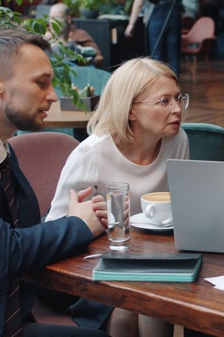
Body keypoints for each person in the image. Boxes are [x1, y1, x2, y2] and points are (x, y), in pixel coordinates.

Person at [0, 27, 108, 336]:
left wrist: (69, 218)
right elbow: (2, 252)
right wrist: (78, 225)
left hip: (10, 317)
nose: (53, 95)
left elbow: (19, 233)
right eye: (42, 83)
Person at [46, 57, 190, 337]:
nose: (177, 109)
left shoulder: (178, 140)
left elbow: (181, 209)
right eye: (164, 101)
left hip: (152, 261)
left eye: (179, 98)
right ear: (131, 109)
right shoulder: (92, 153)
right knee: (130, 306)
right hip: (93, 266)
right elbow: (55, 227)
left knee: (152, 303)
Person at [125, 0, 185, 74]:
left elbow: (139, 1)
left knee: (157, 55)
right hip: (173, 14)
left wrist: (131, 24)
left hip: (157, 14)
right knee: (173, 55)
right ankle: (175, 85)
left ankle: (158, 87)